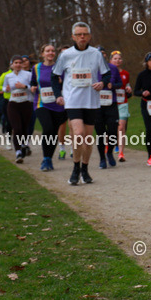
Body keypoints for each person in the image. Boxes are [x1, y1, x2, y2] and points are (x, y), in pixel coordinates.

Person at [52, 22, 110, 185]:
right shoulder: (65, 55)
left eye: (85, 34)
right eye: (78, 34)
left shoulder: (96, 54)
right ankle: (75, 168)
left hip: (91, 101)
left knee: (88, 138)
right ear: (73, 37)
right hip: (72, 100)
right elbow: (54, 76)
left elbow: (106, 74)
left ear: (90, 36)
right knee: (78, 135)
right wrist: (58, 95)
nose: (82, 37)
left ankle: (85, 168)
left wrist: (102, 84)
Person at [31, 44, 68, 171]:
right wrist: (32, 87)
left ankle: (49, 159)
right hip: (42, 103)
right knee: (48, 128)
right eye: (48, 51)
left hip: (59, 105)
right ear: (42, 54)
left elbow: (69, 84)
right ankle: (45, 159)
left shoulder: (61, 68)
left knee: (54, 133)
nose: (50, 53)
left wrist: (61, 83)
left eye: (52, 51)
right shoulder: (36, 68)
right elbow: (33, 82)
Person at [2, 55, 34, 163]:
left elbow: (33, 88)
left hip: (26, 103)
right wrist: (5, 89)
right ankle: (18, 152)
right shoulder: (8, 76)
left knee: (25, 127)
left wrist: (24, 86)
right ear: (12, 65)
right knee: (17, 128)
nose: (18, 65)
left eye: (20, 62)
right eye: (15, 63)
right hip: (13, 104)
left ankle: (24, 144)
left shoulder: (28, 75)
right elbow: (4, 88)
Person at [95, 48, 120, 169]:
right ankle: (102, 158)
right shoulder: (91, 68)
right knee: (100, 133)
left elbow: (120, 83)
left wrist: (113, 85)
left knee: (113, 130)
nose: (101, 56)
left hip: (111, 103)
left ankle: (109, 152)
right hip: (97, 105)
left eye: (103, 54)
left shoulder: (113, 68)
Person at [110, 51, 132, 162]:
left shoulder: (126, 74)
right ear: (110, 60)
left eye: (119, 58)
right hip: (111, 104)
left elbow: (127, 86)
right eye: (115, 58)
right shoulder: (107, 73)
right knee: (111, 128)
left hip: (123, 103)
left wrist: (129, 89)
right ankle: (108, 148)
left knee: (121, 128)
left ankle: (121, 153)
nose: (117, 60)